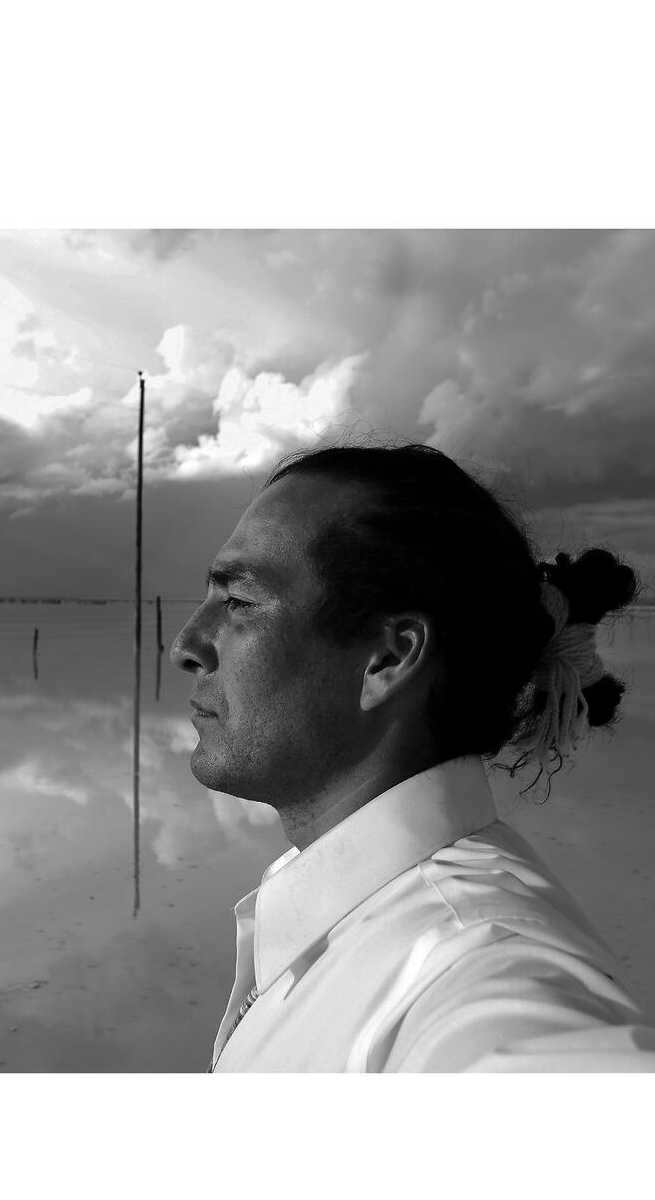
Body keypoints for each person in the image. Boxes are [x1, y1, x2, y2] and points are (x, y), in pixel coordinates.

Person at [171, 442, 655, 1071]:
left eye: (239, 601)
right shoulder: (348, 914)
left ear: (390, 658)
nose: (186, 645)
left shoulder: (475, 965)